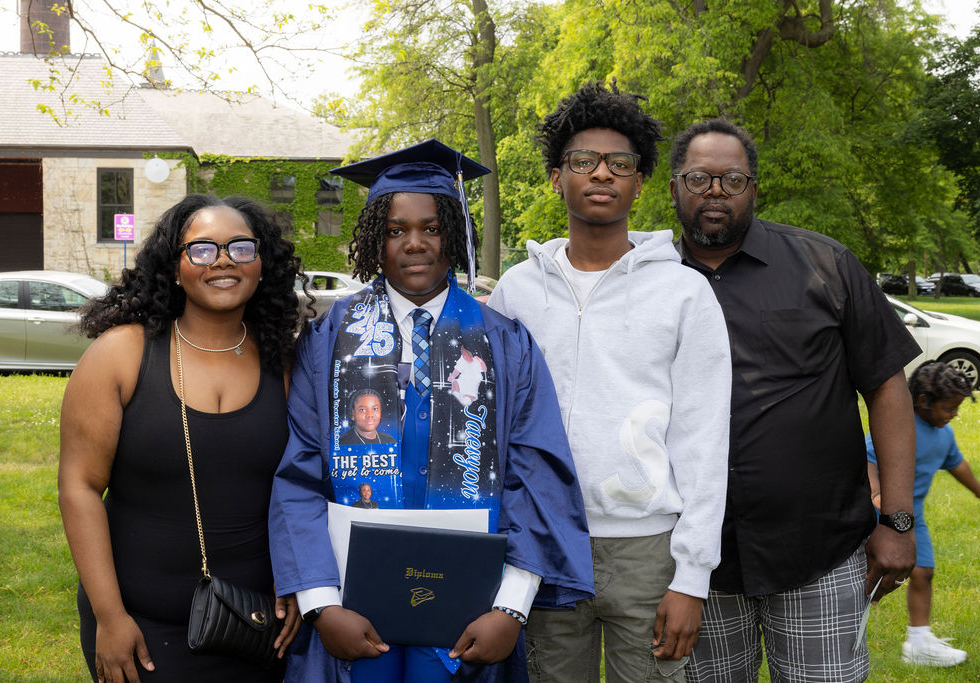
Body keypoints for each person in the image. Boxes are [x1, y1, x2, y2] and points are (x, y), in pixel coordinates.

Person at [268, 139, 594, 683]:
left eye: (432, 227)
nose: (414, 243)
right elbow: (299, 475)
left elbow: (536, 475)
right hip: (351, 601)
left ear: (455, 234)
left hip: (470, 608)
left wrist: (510, 608)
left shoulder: (503, 342)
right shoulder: (330, 338)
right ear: (375, 240)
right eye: (396, 229)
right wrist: (321, 605)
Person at [488, 81, 733, 683]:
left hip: (647, 550)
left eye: (620, 164)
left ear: (640, 182)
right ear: (556, 177)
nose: (602, 173)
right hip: (543, 540)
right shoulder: (518, 291)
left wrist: (692, 577)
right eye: (583, 161)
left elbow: (704, 438)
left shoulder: (683, 291)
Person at [669, 118, 921, 682]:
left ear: (754, 188)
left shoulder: (825, 265)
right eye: (699, 178)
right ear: (674, 188)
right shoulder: (646, 277)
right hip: (692, 560)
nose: (715, 191)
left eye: (733, 180)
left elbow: (886, 386)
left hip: (818, 550)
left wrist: (898, 520)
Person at [58, 194, 304, 682]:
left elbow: (303, 488)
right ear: (174, 266)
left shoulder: (284, 363)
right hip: (141, 627)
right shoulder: (120, 355)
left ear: (262, 265)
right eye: (203, 249)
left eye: (241, 247)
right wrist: (110, 616)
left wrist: (300, 580)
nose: (224, 261)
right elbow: (79, 488)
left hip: (257, 625)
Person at [867, 361, 980, 667]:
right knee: (870, 575)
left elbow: (957, 465)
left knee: (923, 573)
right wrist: (876, 495)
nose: (954, 414)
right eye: (949, 408)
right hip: (881, 515)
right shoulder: (898, 427)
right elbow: (867, 458)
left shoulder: (944, 435)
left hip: (914, 516)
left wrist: (979, 491)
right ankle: (848, 622)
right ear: (923, 401)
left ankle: (919, 641)